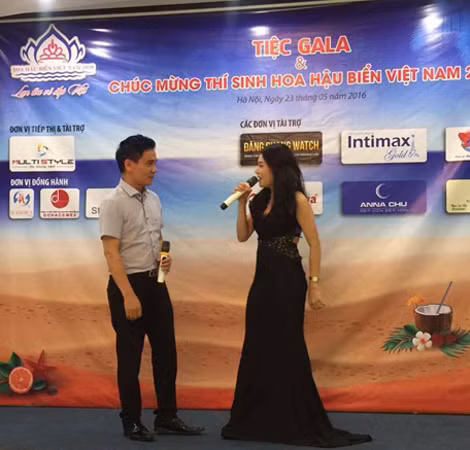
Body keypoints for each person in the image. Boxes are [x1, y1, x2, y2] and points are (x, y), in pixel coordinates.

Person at [221, 143, 372, 447]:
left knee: (287, 347)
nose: (256, 171)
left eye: (261, 165)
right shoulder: (258, 199)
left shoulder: (297, 200)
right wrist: (241, 204)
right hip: (262, 282)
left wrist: (314, 284)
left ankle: (294, 416)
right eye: (257, 165)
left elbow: (314, 244)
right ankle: (257, 418)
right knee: (257, 346)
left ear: (277, 168)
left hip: (288, 280)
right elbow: (242, 236)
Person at [99, 135, 204, 442]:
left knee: (166, 353)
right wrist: (128, 295)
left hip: (156, 284)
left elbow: (157, 239)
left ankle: (167, 417)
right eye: (149, 163)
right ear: (129, 164)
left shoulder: (154, 199)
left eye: (155, 162)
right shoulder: (112, 203)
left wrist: (163, 259)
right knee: (130, 359)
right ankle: (131, 421)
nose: (155, 169)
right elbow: (111, 254)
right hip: (127, 287)